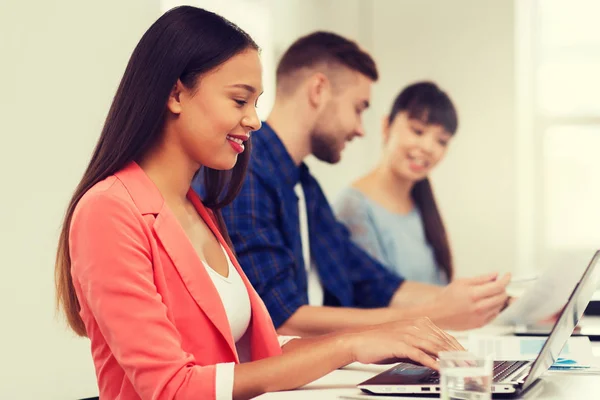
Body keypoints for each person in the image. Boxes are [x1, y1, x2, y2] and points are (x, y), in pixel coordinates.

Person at [55, 7, 462, 400]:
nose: (254, 119)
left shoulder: (201, 209)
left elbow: (259, 354)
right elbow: (172, 388)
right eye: (239, 100)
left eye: (255, 102)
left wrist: (377, 343)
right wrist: (350, 346)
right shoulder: (108, 211)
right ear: (176, 93)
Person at [209, 31, 510, 338]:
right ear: (318, 90)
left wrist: (481, 298)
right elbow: (282, 318)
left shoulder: (304, 185)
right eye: (358, 108)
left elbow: (373, 282)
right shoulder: (246, 171)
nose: (360, 129)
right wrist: (433, 313)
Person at [334, 81, 457, 286]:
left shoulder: (422, 203)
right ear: (386, 126)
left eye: (441, 141)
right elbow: (376, 296)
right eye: (418, 131)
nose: (428, 147)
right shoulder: (353, 207)